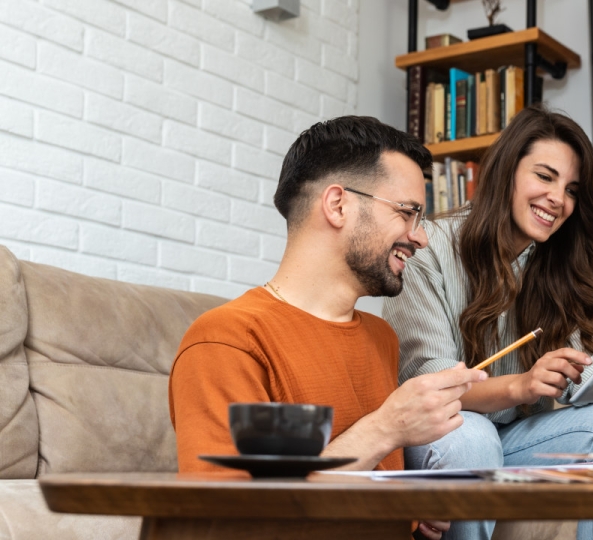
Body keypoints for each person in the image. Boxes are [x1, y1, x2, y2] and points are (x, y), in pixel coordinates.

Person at [168, 116, 487, 540]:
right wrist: (385, 428)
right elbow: (228, 520)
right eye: (408, 213)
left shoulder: (380, 338)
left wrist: (412, 509)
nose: (421, 238)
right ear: (338, 205)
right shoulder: (226, 341)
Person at [382, 104, 593, 540]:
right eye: (545, 177)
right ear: (507, 172)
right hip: (442, 434)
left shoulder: (557, 264)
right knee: (472, 436)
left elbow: (589, 367)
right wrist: (520, 386)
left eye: (571, 190)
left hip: (510, 442)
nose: (558, 199)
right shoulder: (429, 248)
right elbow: (432, 388)